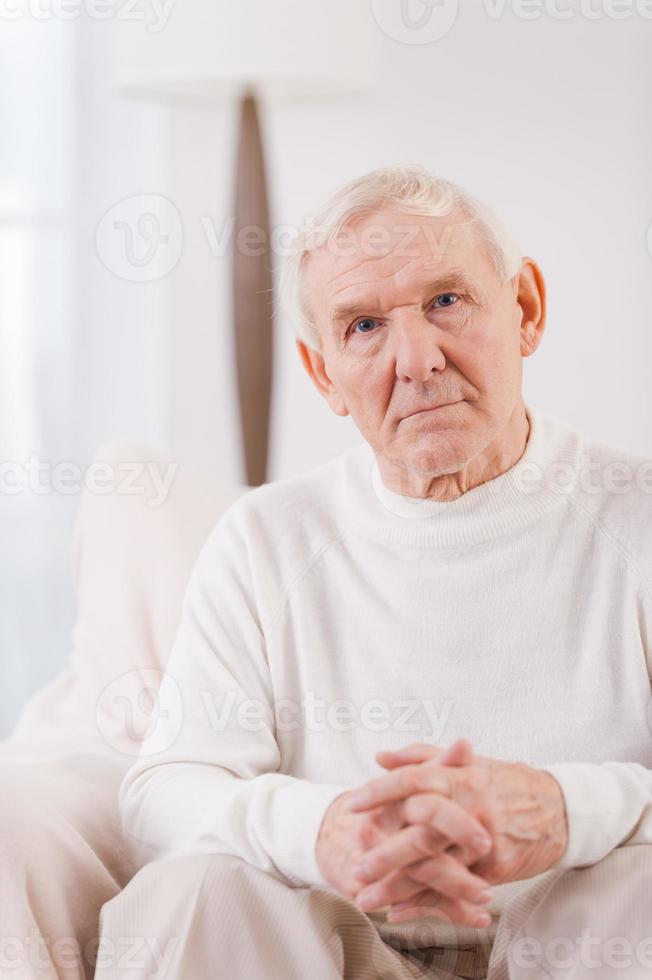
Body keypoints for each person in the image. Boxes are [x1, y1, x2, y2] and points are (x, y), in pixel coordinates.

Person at [95, 166, 652, 979]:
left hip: (581, 947)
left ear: (525, 308)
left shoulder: (635, 520)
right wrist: (325, 829)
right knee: (193, 889)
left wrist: (568, 811)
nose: (417, 359)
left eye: (447, 301)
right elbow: (161, 795)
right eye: (362, 327)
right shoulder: (266, 541)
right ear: (323, 372)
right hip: (341, 950)